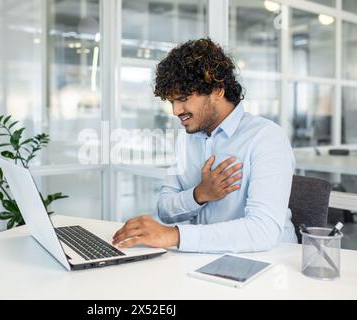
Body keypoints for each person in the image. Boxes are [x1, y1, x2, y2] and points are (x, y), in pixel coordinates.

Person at [113, 38, 297, 253]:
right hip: (204, 260)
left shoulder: (266, 137)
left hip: (269, 263)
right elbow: (165, 209)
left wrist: (174, 236)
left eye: (182, 99)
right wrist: (198, 194)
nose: (175, 111)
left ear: (217, 90)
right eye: (171, 102)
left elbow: (262, 230)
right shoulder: (186, 138)